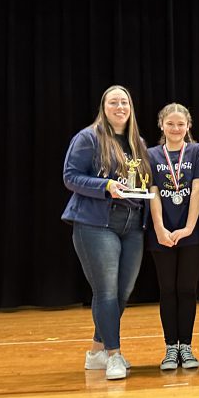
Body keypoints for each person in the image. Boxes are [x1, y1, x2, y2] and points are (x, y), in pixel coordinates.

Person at [62, 85, 148, 381]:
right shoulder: (88, 137)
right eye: (114, 102)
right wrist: (106, 186)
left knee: (122, 292)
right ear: (104, 106)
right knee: (107, 292)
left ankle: (97, 350)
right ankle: (114, 355)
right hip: (96, 224)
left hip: (132, 224)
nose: (120, 107)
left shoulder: (137, 142)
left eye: (125, 102)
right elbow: (70, 177)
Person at [147, 103, 199, 370]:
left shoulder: (198, 151)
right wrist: (160, 229)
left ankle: (186, 346)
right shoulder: (150, 154)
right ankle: (170, 348)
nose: (175, 129)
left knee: (187, 290)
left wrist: (187, 229)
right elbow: (153, 193)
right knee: (168, 290)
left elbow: (197, 192)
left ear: (188, 126)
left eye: (180, 124)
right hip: (161, 234)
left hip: (190, 234)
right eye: (170, 124)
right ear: (162, 125)